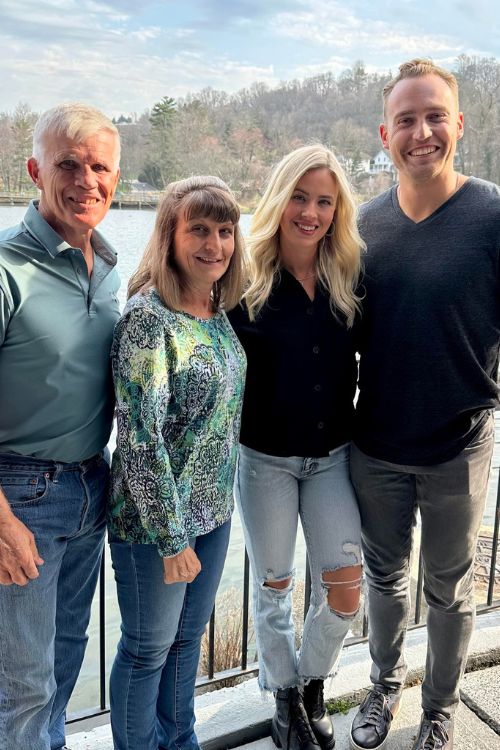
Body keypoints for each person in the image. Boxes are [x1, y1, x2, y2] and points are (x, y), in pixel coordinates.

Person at [349, 59, 500, 750]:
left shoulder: (492, 215)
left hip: (460, 445)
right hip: (375, 444)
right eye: (406, 120)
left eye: (435, 115)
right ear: (385, 134)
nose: (421, 132)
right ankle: (383, 688)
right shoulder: (359, 227)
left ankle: (438, 709)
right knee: (383, 580)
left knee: (448, 589)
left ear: (458, 125)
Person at [228, 144, 364, 750]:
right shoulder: (242, 281)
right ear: (280, 201)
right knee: (275, 586)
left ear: (337, 211)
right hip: (265, 462)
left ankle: (309, 681)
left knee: (346, 587)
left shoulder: (349, 275)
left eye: (324, 202)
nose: (310, 212)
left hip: (333, 456)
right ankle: (286, 703)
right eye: (300, 198)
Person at [107, 175, 246, 750]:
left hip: (212, 515)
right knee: (146, 653)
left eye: (224, 230)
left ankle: (181, 741)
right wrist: (172, 540)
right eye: (199, 230)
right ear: (169, 235)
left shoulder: (215, 308)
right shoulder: (148, 318)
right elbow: (140, 440)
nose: (214, 245)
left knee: (187, 645)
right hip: (155, 526)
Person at [0, 103, 121, 750]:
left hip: (90, 488)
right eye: (67, 164)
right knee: (22, 684)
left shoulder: (108, 269)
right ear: (34, 171)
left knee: (63, 665)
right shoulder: (6, 270)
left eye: (99, 166)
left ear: (116, 179)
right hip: (20, 496)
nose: (85, 180)